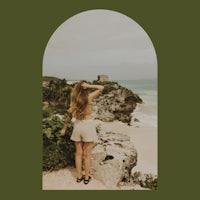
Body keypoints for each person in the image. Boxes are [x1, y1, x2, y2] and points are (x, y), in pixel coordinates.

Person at [60, 80, 104, 184]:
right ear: (86, 88)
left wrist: (64, 128)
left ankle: (79, 176)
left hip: (78, 126)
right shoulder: (89, 97)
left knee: (78, 154)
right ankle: (86, 178)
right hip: (88, 126)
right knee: (87, 155)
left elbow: (69, 116)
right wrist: (89, 85)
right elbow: (101, 88)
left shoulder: (74, 100)